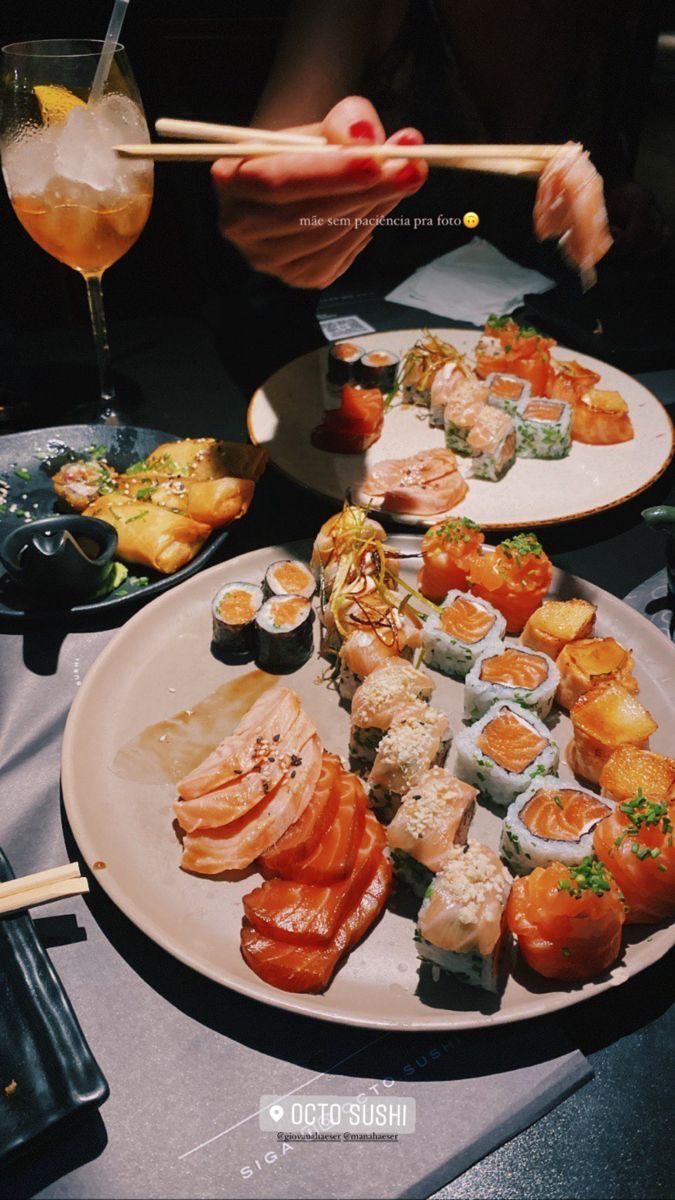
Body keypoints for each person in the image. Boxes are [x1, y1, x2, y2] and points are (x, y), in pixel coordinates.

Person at [211, 0, 668, 292]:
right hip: (354, 346)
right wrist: (280, 212)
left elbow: (590, 164)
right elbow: (272, 156)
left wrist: (610, 199)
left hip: (547, 334)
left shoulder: (614, 16)